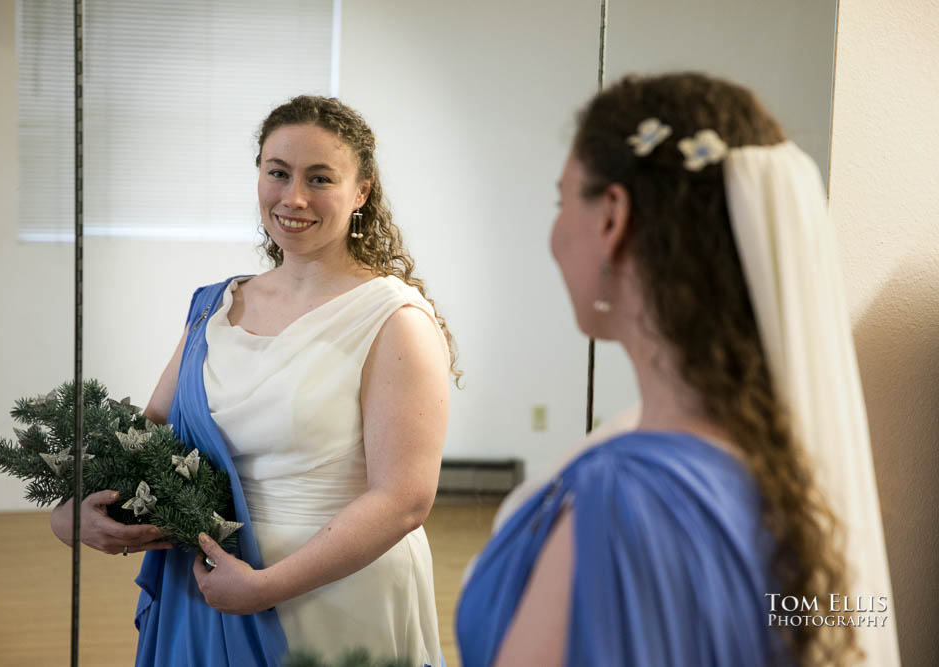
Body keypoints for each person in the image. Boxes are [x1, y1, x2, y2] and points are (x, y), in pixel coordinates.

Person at [457, 72, 898, 666]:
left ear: (612, 217)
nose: (555, 235)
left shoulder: (623, 499)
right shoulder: (779, 462)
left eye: (564, 201)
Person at [51, 95, 457, 667]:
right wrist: (72, 507)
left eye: (320, 178)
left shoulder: (394, 321)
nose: (294, 198)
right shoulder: (216, 306)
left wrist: (265, 587)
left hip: (333, 595)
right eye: (278, 173)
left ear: (361, 191)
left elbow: (403, 499)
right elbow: (151, 434)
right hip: (212, 583)